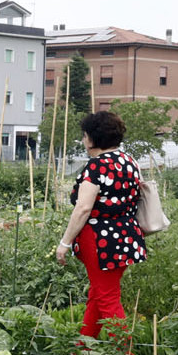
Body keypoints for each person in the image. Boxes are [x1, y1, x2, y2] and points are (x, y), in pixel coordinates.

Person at [53, 110, 147, 342]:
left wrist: (64, 243)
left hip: (99, 240)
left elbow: (83, 209)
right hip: (127, 237)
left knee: (106, 297)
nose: (83, 140)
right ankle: (82, 351)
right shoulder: (129, 162)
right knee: (99, 294)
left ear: (93, 138)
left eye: (84, 135)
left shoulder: (96, 167)